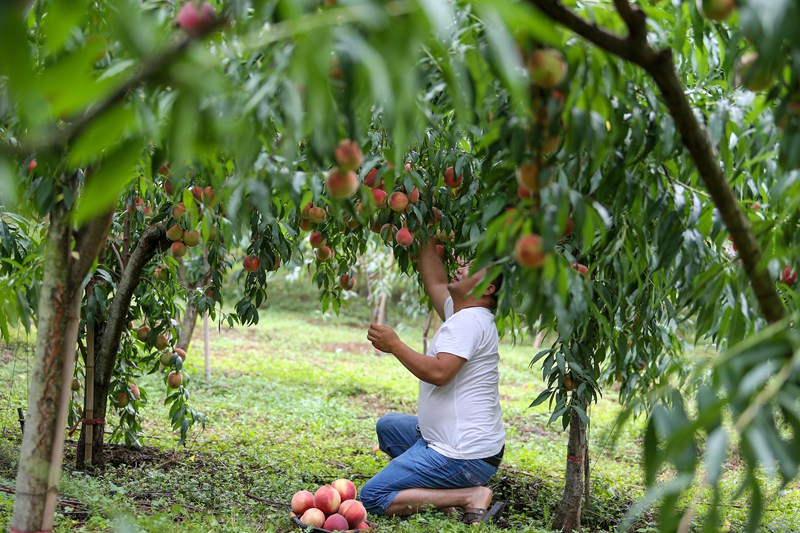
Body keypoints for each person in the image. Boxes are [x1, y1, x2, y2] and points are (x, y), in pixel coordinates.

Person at [360, 238, 506, 525]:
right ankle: (444, 491)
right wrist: (424, 234)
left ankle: (468, 495)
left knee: (373, 496)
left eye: (471, 268)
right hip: (470, 447)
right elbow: (436, 283)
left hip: (462, 456)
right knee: (388, 427)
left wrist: (395, 345)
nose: (461, 267)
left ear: (488, 288)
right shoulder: (468, 313)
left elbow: (440, 374)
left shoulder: (468, 323)